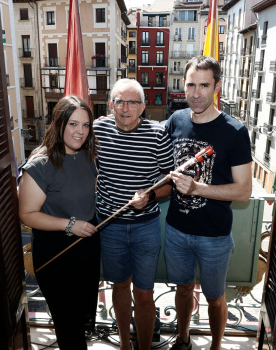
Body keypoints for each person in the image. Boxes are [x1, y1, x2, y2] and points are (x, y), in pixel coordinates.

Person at [164, 56, 253, 350]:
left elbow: (244, 191)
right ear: (184, 85)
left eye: (204, 85)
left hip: (214, 235)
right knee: (183, 288)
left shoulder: (235, 132)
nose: (197, 92)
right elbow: (149, 136)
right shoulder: (176, 120)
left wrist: (198, 188)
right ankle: (183, 339)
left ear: (217, 86)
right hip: (176, 229)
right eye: (191, 84)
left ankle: (216, 347)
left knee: (215, 297)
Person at [93, 79, 174, 350]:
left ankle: (144, 348)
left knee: (144, 292)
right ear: (111, 105)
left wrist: (150, 195)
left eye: (133, 102)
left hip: (145, 227)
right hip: (110, 225)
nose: (125, 108)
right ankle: (125, 347)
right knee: (119, 286)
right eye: (120, 102)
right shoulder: (97, 129)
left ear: (143, 107)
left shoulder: (157, 134)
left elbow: (171, 183)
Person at [18, 95, 100, 350]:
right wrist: (70, 225)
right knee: (68, 325)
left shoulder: (87, 156)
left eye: (86, 125)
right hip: (56, 252)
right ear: (59, 124)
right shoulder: (40, 164)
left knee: (81, 318)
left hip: (86, 250)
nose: (80, 131)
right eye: (73, 124)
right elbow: (27, 214)